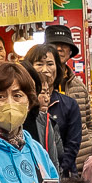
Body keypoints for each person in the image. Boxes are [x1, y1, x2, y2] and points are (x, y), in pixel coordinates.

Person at [19, 37, 85, 173]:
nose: (45, 69)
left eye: (50, 64)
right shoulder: (23, 104)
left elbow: (72, 146)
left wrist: (56, 172)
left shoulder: (68, 104)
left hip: (61, 173)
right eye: (39, 64)